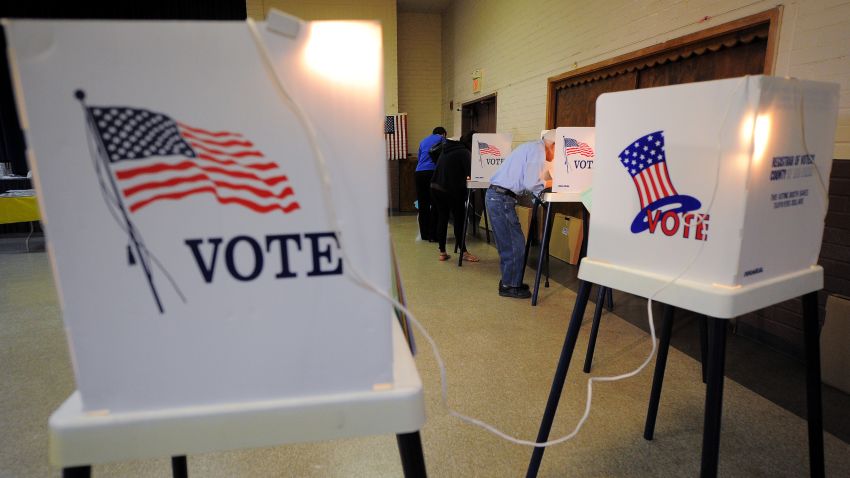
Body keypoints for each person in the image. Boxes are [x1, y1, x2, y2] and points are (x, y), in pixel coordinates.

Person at [485, 129, 555, 298]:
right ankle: (510, 286)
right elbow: (532, 183)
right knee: (514, 244)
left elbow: (526, 181)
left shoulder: (530, 147)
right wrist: (552, 181)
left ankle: (510, 281)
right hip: (501, 199)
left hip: (497, 197)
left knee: (508, 243)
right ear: (552, 145)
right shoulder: (537, 151)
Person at [430, 130, 479, 262]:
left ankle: (442, 252)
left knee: (442, 218)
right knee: (459, 219)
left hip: (435, 187)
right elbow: (471, 173)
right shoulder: (464, 152)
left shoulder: (447, 148)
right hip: (451, 190)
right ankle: (463, 252)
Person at [414, 126, 446, 242]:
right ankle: (433, 235)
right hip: (433, 173)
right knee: (435, 204)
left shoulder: (423, 141)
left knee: (423, 205)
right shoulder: (442, 139)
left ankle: (424, 234)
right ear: (443, 134)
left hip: (419, 173)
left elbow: (419, 158)